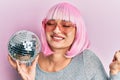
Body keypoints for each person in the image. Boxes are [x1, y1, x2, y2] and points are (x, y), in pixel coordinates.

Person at [8, 2, 120, 80]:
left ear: (77, 30)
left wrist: (115, 72)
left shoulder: (86, 59)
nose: (56, 30)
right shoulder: (30, 63)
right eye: (51, 24)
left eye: (66, 25)